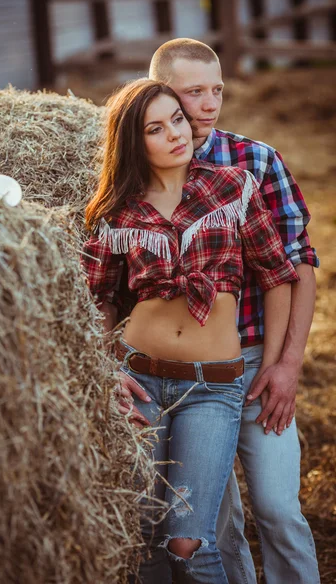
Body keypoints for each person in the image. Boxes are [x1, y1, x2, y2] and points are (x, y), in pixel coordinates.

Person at [116, 39, 320, 584]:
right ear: (159, 96)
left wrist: (287, 365)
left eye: (218, 91)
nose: (208, 106)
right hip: (171, 371)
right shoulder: (130, 175)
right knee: (213, 526)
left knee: (277, 508)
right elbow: (104, 286)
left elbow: (295, 268)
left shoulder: (253, 164)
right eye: (192, 94)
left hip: (254, 358)